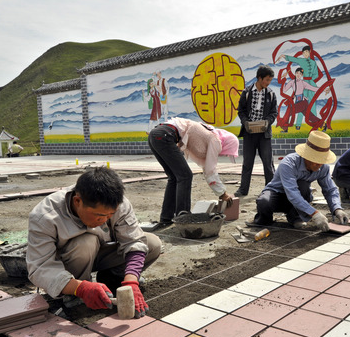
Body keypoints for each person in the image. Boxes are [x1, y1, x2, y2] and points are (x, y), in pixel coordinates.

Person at [26, 167, 162, 318]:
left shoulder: (118, 203)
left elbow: (134, 241)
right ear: (77, 201)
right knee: (85, 242)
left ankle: (112, 278)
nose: (104, 220)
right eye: (99, 216)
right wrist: (80, 288)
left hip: (102, 254)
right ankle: (75, 294)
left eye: (110, 215)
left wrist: (131, 281)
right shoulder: (45, 216)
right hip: (70, 264)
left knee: (152, 243)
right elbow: (40, 267)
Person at [250, 131, 349, 232]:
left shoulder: (323, 168)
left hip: (296, 199)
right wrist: (315, 213)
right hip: (277, 194)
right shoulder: (289, 163)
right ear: (306, 156)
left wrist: (337, 209)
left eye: (322, 160)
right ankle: (264, 221)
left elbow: (330, 189)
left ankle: (295, 217)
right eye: (316, 159)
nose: (319, 164)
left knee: (303, 185)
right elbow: (292, 193)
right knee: (264, 202)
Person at [148, 118, 239, 226]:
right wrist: (222, 193)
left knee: (174, 177)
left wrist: (220, 191)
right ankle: (184, 216)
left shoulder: (208, 133)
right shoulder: (215, 140)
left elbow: (207, 168)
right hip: (165, 136)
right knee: (185, 176)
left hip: (156, 135)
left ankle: (166, 219)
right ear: (228, 145)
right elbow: (210, 170)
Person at [235, 65, 278, 197]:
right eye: (266, 80)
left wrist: (267, 122)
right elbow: (240, 111)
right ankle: (243, 190)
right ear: (259, 78)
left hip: (264, 134)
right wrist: (245, 123)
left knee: (268, 163)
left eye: (270, 80)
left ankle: (270, 190)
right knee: (247, 163)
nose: (268, 83)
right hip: (249, 134)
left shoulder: (271, 94)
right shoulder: (246, 93)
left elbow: (274, 112)